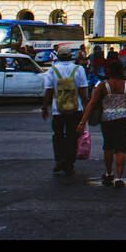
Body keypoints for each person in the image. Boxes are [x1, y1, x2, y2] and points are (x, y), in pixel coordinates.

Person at [77, 58, 126, 188]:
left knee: (108, 146)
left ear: (109, 71)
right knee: (121, 147)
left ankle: (109, 173)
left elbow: (92, 103)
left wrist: (83, 121)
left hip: (107, 118)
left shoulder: (103, 85)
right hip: (124, 117)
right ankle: (119, 177)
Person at [41, 44, 91, 176]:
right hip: (76, 109)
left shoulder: (52, 70)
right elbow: (83, 92)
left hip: (58, 109)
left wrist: (45, 107)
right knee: (72, 137)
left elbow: (49, 91)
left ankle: (59, 159)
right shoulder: (79, 69)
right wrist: (87, 107)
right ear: (70, 57)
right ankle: (69, 163)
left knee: (58, 135)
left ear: (57, 57)